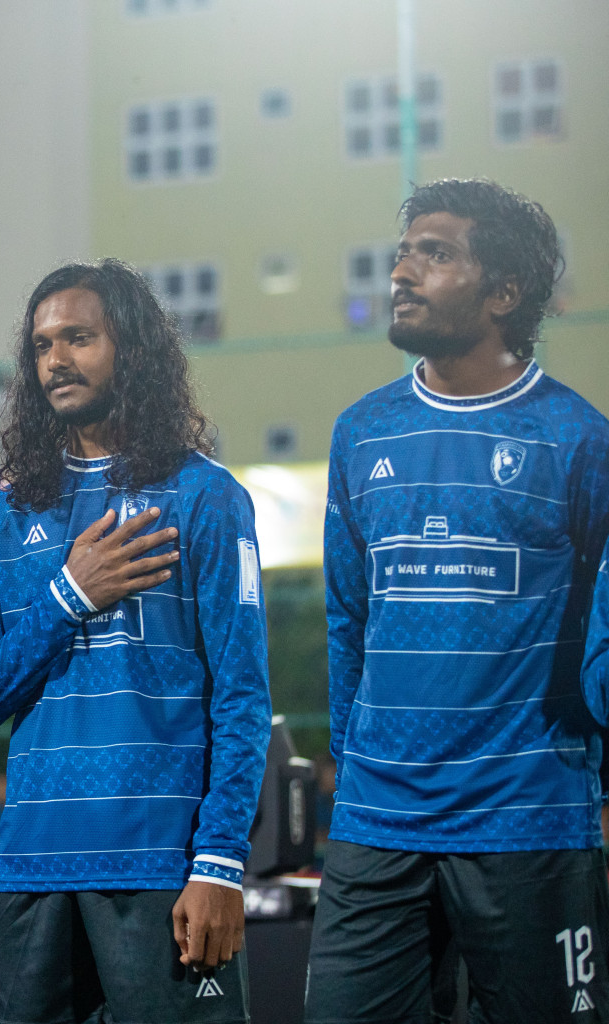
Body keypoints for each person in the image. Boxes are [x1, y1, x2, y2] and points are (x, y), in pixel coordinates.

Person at [305, 178, 609, 1022]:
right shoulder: (361, 431)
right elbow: (347, 618)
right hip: (378, 823)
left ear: (503, 292)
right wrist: (357, 757)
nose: (402, 272)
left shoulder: (579, 440)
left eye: (435, 255)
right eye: (404, 253)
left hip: (529, 823)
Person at [0, 260, 270, 1022]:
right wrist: (69, 595)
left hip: (163, 870)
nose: (56, 359)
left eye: (79, 338)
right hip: (33, 869)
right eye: (41, 345)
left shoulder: (207, 498)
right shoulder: (5, 513)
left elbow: (243, 698)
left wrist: (220, 864)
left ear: (133, 348)